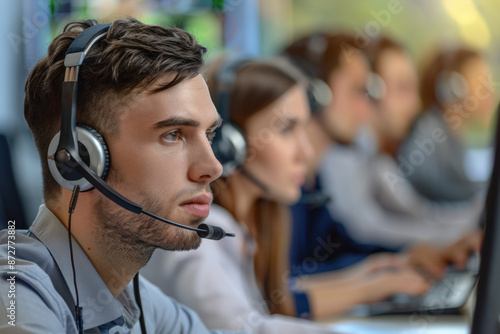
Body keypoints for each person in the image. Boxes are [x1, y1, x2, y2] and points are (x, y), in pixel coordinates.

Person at [142, 57, 436, 333]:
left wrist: (368, 275)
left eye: (304, 129)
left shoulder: (257, 222)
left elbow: (271, 306)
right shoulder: (201, 233)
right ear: (230, 143)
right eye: (286, 129)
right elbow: (240, 328)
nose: (305, 152)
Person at [0, 18, 244, 333]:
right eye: (173, 134)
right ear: (79, 160)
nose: (213, 167)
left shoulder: (140, 303)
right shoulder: (16, 301)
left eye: (208, 135)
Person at [285, 33, 482, 255]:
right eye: (358, 90)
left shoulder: (366, 158)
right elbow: (364, 231)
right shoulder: (333, 160)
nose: (365, 105)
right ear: (316, 94)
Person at [399, 46, 496, 202]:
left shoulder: (450, 133)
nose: (490, 92)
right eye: (482, 82)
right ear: (453, 87)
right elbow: (446, 195)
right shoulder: (429, 134)